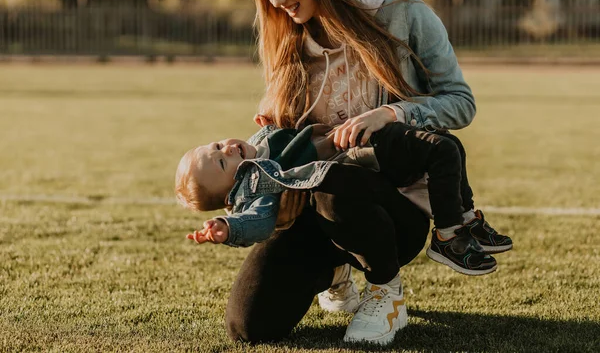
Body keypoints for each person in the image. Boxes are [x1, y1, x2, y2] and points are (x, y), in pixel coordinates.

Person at [215, 0, 495, 345]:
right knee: (250, 326)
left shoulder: (402, 12)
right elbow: (284, 138)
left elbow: (460, 102)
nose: (276, 0)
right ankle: (335, 271)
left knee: (333, 183)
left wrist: (392, 113)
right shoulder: (289, 36)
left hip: (392, 209)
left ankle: (386, 290)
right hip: (314, 208)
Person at [177, 122, 511, 276]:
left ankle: (465, 220)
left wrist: (276, 123)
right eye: (222, 162)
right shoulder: (254, 186)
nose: (228, 148)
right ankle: (448, 236)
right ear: (230, 191)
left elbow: (281, 133)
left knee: (445, 144)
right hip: (351, 165)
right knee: (438, 149)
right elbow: (259, 220)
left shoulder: (256, 144)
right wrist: (228, 226)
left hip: (353, 156)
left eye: (217, 144)